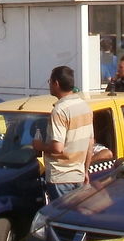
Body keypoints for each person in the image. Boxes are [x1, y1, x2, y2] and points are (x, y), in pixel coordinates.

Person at [32, 65, 92, 199]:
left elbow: (57, 148)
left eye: (50, 82)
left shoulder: (60, 110)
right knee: (74, 217)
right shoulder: (85, 106)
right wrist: (85, 171)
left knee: (60, 215)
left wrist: (39, 146)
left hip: (60, 177)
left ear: (56, 83)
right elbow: (90, 142)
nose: (49, 85)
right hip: (78, 175)